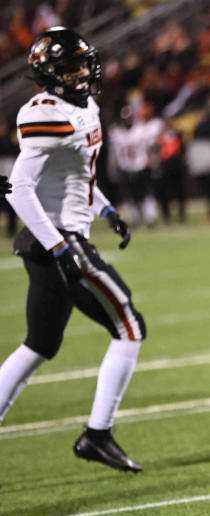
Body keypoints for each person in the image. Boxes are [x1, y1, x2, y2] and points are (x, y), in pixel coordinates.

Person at [0, 27, 145, 472]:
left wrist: (105, 210)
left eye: (85, 63)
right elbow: (18, 190)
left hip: (57, 238)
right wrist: (64, 247)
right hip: (57, 240)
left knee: (39, 344)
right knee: (130, 327)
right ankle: (97, 434)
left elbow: (78, 173)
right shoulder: (45, 114)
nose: (84, 72)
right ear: (51, 75)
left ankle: (97, 435)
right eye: (73, 67)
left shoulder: (85, 105)